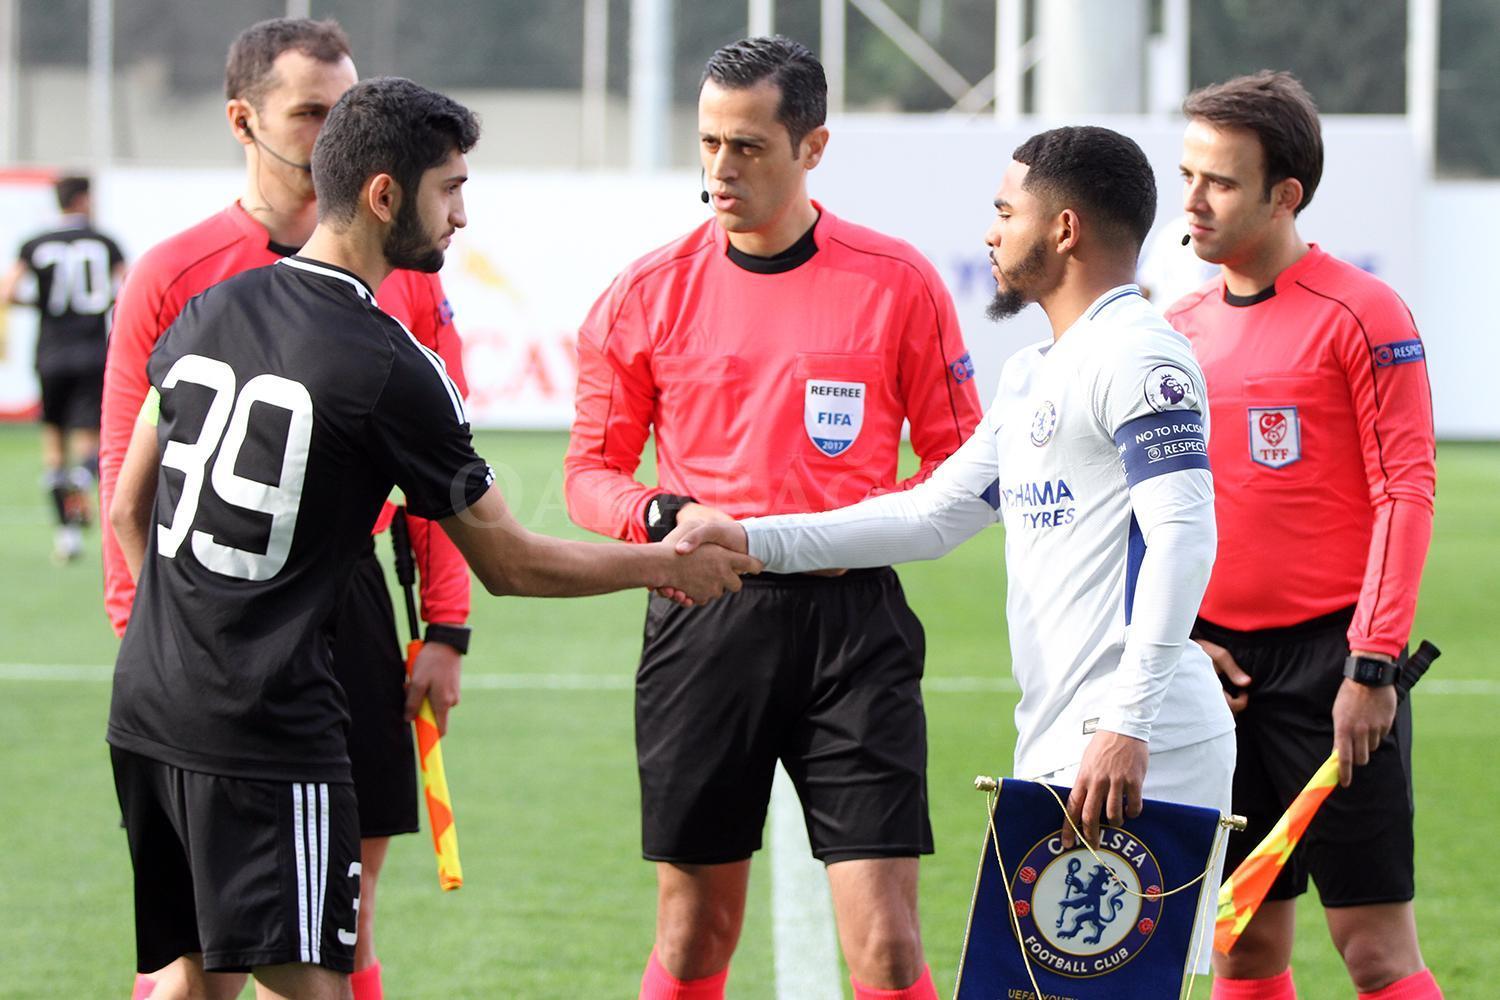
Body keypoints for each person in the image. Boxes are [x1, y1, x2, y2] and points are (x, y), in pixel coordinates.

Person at [107, 75, 757, 1000]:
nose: (461, 215)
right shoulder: (390, 365)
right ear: (385, 195)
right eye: (450, 189)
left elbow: (127, 509)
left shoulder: (211, 309)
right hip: (265, 733)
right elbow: (511, 561)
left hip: (148, 707)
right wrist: (667, 564)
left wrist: (181, 641)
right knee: (314, 986)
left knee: (192, 983)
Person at [673, 125, 1238, 975]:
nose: (990, 233)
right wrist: (751, 538)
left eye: (1006, 213)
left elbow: (1184, 536)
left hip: (1135, 740)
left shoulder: (1139, 352)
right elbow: (931, 516)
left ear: (1065, 229)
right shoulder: (1036, 373)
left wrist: (1128, 722)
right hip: (1067, 735)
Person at [563, 35, 983, 1000]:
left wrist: (855, 529)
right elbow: (589, 472)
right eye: (709, 142)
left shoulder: (898, 282)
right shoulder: (644, 292)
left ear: (813, 146)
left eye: (748, 146)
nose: (721, 167)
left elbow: (960, 465)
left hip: (855, 628)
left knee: (888, 946)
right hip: (704, 620)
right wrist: (661, 511)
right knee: (694, 934)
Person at [97, 21, 471, 1000]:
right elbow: (124, 475)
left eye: (345, 110)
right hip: (209, 626)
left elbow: (442, 471)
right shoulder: (177, 273)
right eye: (312, 111)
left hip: (347, 602)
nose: (333, 129)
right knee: (208, 956)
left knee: (342, 910)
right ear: (243, 121)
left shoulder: (407, 277)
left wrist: (446, 626)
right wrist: (154, 625)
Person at [1166, 72, 1441, 1000]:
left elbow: (1406, 490)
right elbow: (1152, 513)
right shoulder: (1176, 331)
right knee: (1239, 941)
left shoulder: (1363, 312)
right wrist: (1181, 640)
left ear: (1285, 193)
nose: (1194, 200)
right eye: (1188, 175)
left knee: (1374, 950)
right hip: (1214, 673)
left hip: (1335, 667)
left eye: (1221, 181)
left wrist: (1372, 664)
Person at [0, 175, 125, 562]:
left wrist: (35, 305)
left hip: (51, 353)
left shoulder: (36, 243)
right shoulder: (104, 242)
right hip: (93, 352)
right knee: (90, 440)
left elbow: (6, 291)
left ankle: (67, 536)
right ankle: (83, 480)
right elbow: (128, 288)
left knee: (54, 442)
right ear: (82, 200)